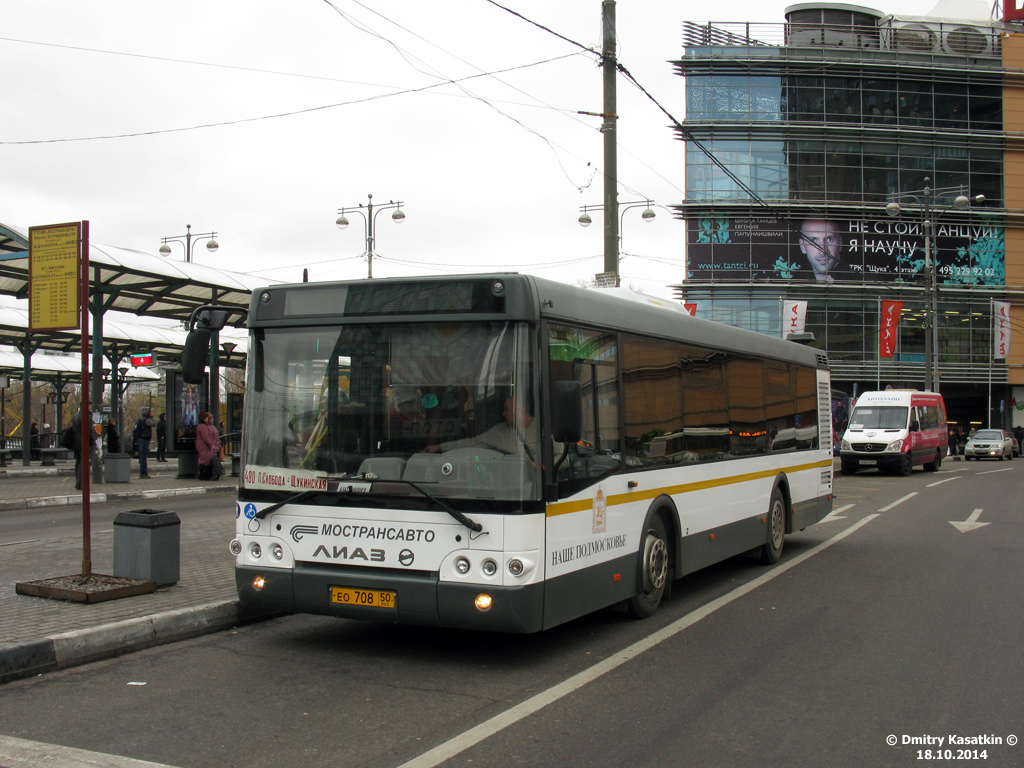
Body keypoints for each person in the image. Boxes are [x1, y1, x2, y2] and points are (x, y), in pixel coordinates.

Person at [426, 396, 538, 460]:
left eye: (507, 409)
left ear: (521, 410)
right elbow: (473, 443)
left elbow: (555, 457)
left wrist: (538, 465)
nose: (503, 414)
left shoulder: (541, 429)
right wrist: (440, 447)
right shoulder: (500, 430)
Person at [196, 410, 223, 480]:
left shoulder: (202, 425)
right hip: (204, 445)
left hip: (202, 445)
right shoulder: (203, 426)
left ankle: (204, 475)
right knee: (205, 460)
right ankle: (204, 475)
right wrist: (211, 445)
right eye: (206, 417)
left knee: (204, 459)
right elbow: (206, 437)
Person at [132, 406, 156, 478]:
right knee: (143, 457)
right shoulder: (146, 420)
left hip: (140, 439)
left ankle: (144, 472)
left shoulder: (140, 420)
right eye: (150, 412)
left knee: (142, 456)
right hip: (144, 439)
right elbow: (154, 424)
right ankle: (143, 473)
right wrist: (152, 417)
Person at [71, 411, 83, 491]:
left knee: (78, 462)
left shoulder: (75, 415)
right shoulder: (84, 415)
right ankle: (80, 483)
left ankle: (78, 482)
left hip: (76, 442)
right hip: (82, 442)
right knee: (84, 462)